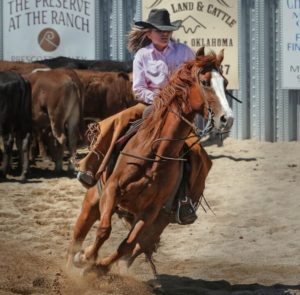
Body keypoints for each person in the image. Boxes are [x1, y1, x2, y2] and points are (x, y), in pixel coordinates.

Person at [77, 8, 211, 224]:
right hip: (149, 106)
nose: (164, 33)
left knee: (196, 151)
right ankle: (92, 165)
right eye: (159, 30)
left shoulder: (185, 52)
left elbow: (196, 80)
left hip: (180, 113)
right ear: (149, 33)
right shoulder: (142, 55)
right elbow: (138, 89)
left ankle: (184, 200)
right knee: (119, 121)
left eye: (167, 30)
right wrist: (159, 98)